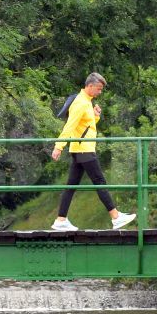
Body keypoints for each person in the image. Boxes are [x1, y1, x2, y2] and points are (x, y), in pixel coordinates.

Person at [50, 72, 136, 231]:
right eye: (98, 89)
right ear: (89, 86)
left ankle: (61, 220)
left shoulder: (86, 101)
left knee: (71, 185)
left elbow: (85, 125)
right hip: (84, 150)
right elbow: (70, 126)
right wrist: (58, 146)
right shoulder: (81, 103)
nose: (100, 92)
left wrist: (96, 117)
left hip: (80, 149)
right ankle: (116, 217)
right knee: (99, 182)